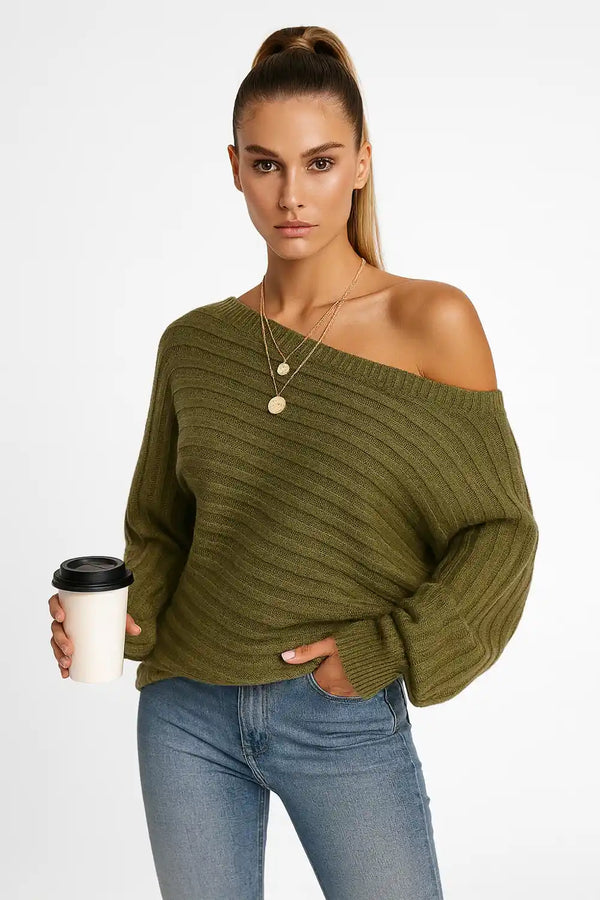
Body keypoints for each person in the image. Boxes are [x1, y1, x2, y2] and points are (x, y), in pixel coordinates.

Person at [49, 25, 539, 900]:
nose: (292, 196)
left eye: (320, 163)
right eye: (267, 165)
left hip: (337, 711)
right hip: (185, 711)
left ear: (361, 163)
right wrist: (126, 617)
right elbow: (161, 531)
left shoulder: (433, 323)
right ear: (234, 168)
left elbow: (500, 532)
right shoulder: (194, 344)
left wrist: (389, 648)